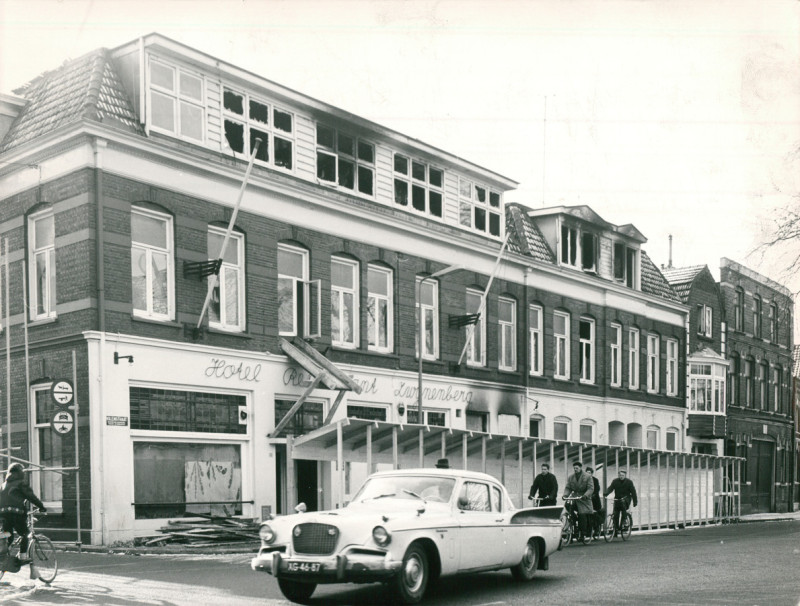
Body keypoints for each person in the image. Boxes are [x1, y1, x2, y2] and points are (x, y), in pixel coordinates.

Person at [0, 463, 46, 575]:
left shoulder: (3, 485)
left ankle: (2, 553)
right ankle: (23, 555)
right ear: (20, 473)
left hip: (3, 514)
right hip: (16, 514)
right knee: (25, 533)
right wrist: (41, 507)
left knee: (8, 536)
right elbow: (31, 496)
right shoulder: (21, 483)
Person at [562, 461, 593, 542]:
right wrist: (565, 495)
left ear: (580, 468)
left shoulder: (587, 476)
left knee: (582, 514)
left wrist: (585, 495)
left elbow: (590, 488)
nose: (575, 470)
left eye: (577, 468)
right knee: (568, 507)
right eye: (574, 468)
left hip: (583, 499)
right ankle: (572, 525)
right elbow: (568, 487)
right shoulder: (571, 477)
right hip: (574, 497)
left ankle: (583, 534)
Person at [603, 468, 638, 535]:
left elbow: (633, 492)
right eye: (620, 475)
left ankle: (624, 521)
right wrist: (606, 493)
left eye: (622, 475)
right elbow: (611, 488)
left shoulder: (629, 482)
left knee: (623, 505)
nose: (621, 476)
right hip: (617, 498)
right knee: (616, 513)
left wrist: (635, 501)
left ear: (625, 475)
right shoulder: (615, 481)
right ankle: (616, 528)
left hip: (626, 498)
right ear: (618, 475)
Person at [585, 467, 603, 539]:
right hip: (586, 500)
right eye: (586, 473)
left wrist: (592, 494)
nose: (588, 474)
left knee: (594, 514)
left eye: (589, 473)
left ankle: (596, 529)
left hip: (595, 500)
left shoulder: (595, 480)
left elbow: (597, 489)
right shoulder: (584, 480)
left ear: (591, 473)